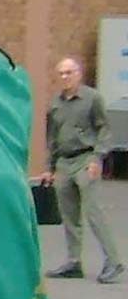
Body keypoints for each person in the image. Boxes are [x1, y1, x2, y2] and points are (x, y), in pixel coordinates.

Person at [43, 56, 124, 284]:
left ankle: (113, 261)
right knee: (69, 215)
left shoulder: (92, 98)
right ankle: (73, 261)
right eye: (61, 73)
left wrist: (97, 158)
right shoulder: (55, 103)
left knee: (92, 211)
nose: (65, 77)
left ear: (79, 74)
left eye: (69, 72)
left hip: (85, 158)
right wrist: (50, 167)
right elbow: (52, 138)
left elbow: (104, 130)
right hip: (64, 162)